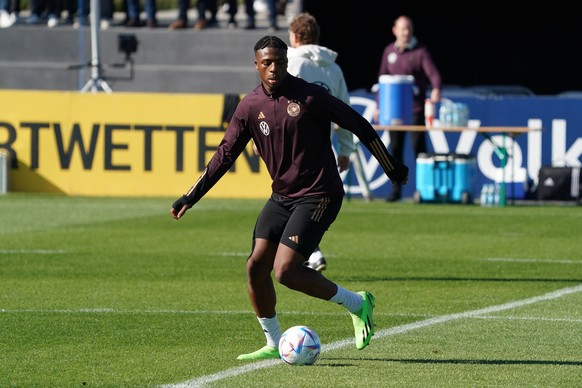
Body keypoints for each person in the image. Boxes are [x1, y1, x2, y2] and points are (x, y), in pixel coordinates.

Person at [170, 35, 408, 360]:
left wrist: (390, 166)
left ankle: (358, 303)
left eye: (279, 62)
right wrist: (190, 196)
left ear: (286, 61)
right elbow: (224, 154)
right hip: (282, 196)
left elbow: (359, 124)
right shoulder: (250, 106)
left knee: (285, 271)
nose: (273, 68)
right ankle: (272, 341)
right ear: (256, 65)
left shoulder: (310, 96)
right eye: (266, 62)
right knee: (255, 266)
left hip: (320, 193)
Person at [286, 11, 354, 273]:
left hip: (290, 146)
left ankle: (311, 251)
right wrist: (346, 149)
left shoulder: (290, 62)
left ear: (294, 36)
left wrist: (262, 136)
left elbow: (274, 103)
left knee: (288, 201)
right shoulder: (333, 67)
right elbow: (345, 110)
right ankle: (308, 251)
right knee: (302, 200)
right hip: (321, 148)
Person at [377, 15, 442, 202]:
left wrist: (436, 88)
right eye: (403, 28)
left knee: (418, 149)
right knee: (395, 149)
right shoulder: (389, 51)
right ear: (395, 30)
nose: (406, 32)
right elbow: (382, 79)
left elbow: (433, 74)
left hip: (415, 108)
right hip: (393, 111)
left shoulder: (420, 51)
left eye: (409, 29)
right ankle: (396, 190)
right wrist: (379, 105)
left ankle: (424, 190)